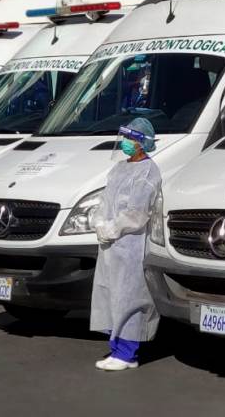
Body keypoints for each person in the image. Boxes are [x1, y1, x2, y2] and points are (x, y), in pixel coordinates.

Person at [90, 117, 161, 371]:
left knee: (129, 296)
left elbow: (137, 213)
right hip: (110, 245)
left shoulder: (148, 172)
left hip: (130, 245)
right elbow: (105, 199)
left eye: (131, 139)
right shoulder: (120, 168)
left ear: (142, 143)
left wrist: (113, 228)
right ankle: (117, 348)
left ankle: (128, 353)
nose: (126, 143)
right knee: (110, 293)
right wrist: (99, 221)